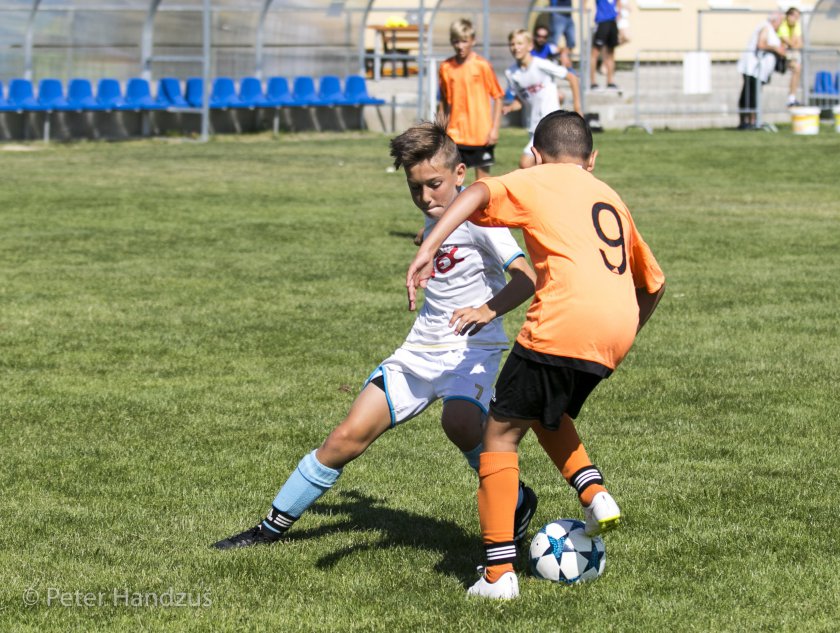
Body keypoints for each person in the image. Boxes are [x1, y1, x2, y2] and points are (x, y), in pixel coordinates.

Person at [212, 120, 539, 551]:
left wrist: (486, 309)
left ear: (460, 174)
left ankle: (516, 498)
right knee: (345, 437)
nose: (426, 197)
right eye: (415, 188)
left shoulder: (483, 221)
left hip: (471, 351)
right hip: (418, 352)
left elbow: (527, 278)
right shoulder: (433, 217)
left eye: (435, 185)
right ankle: (267, 530)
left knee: (459, 423)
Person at [406, 111, 666, 599]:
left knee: (499, 435)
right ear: (592, 159)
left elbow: (476, 191)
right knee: (546, 412)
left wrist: (428, 247)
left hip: (563, 319)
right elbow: (655, 284)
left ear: (537, 155)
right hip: (614, 331)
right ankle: (594, 493)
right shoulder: (610, 196)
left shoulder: (539, 178)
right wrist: (620, 336)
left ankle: (498, 575)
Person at [503, 29, 582, 169]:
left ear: (530, 46)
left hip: (552, 123)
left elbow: (572, 78)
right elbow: (521, 100)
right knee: (547, 167)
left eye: (520, 43)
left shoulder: (541, 64)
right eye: (512, 44)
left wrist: (578, 108)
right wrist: (509, 107)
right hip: (534, 127)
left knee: (526, 163)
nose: (515, 47)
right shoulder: (511, 73)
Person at [438, 18, 505, 182]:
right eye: (456, 41)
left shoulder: (482, 65)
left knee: (482, 184)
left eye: (464, 41)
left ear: (473, 41)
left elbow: (498, 96)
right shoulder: (446, 67)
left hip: (481, 135)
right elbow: (444, 102)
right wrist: (439, 130)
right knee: (452, 183)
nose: (460, 46)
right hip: (455, 135)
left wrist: (494, 129)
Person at [736, 11, 786, 130]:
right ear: (775, 20)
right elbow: (761, 44)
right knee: (750, 95)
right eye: (781, 21)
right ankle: (749, 121)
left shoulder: (770, 29)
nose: (781, 24)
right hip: (753, 69)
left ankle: (750, 121)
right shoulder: (765, 27)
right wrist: (775, 48)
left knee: (752, 94)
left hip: (758, 70)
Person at [590, 0, 625, 91]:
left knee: (611, 54)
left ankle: (610, 82)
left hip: (612, 22)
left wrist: (619, 13)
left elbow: (619, 2)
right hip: (602, 22)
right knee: (595, 53)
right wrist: (584, 7)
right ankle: (593, 82)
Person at [777, 7, 803, 107]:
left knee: (798, 68)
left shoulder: (796, 25)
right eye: (794, 17)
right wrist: (794, 41)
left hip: (792, 55)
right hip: (780, 57)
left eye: (798, 17)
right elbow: (791, 43)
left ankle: (792, 97)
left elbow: (800, 44)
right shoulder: (782, 26)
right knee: (797, 68)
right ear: (788, 16)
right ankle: (791, 98)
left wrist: (793, 43)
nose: (796, 19)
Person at [548, 0, 575, 69]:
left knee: (571, 43)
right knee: (554, 42)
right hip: (558, 13)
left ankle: (567, 65)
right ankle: (552, 64)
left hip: (568, 14)